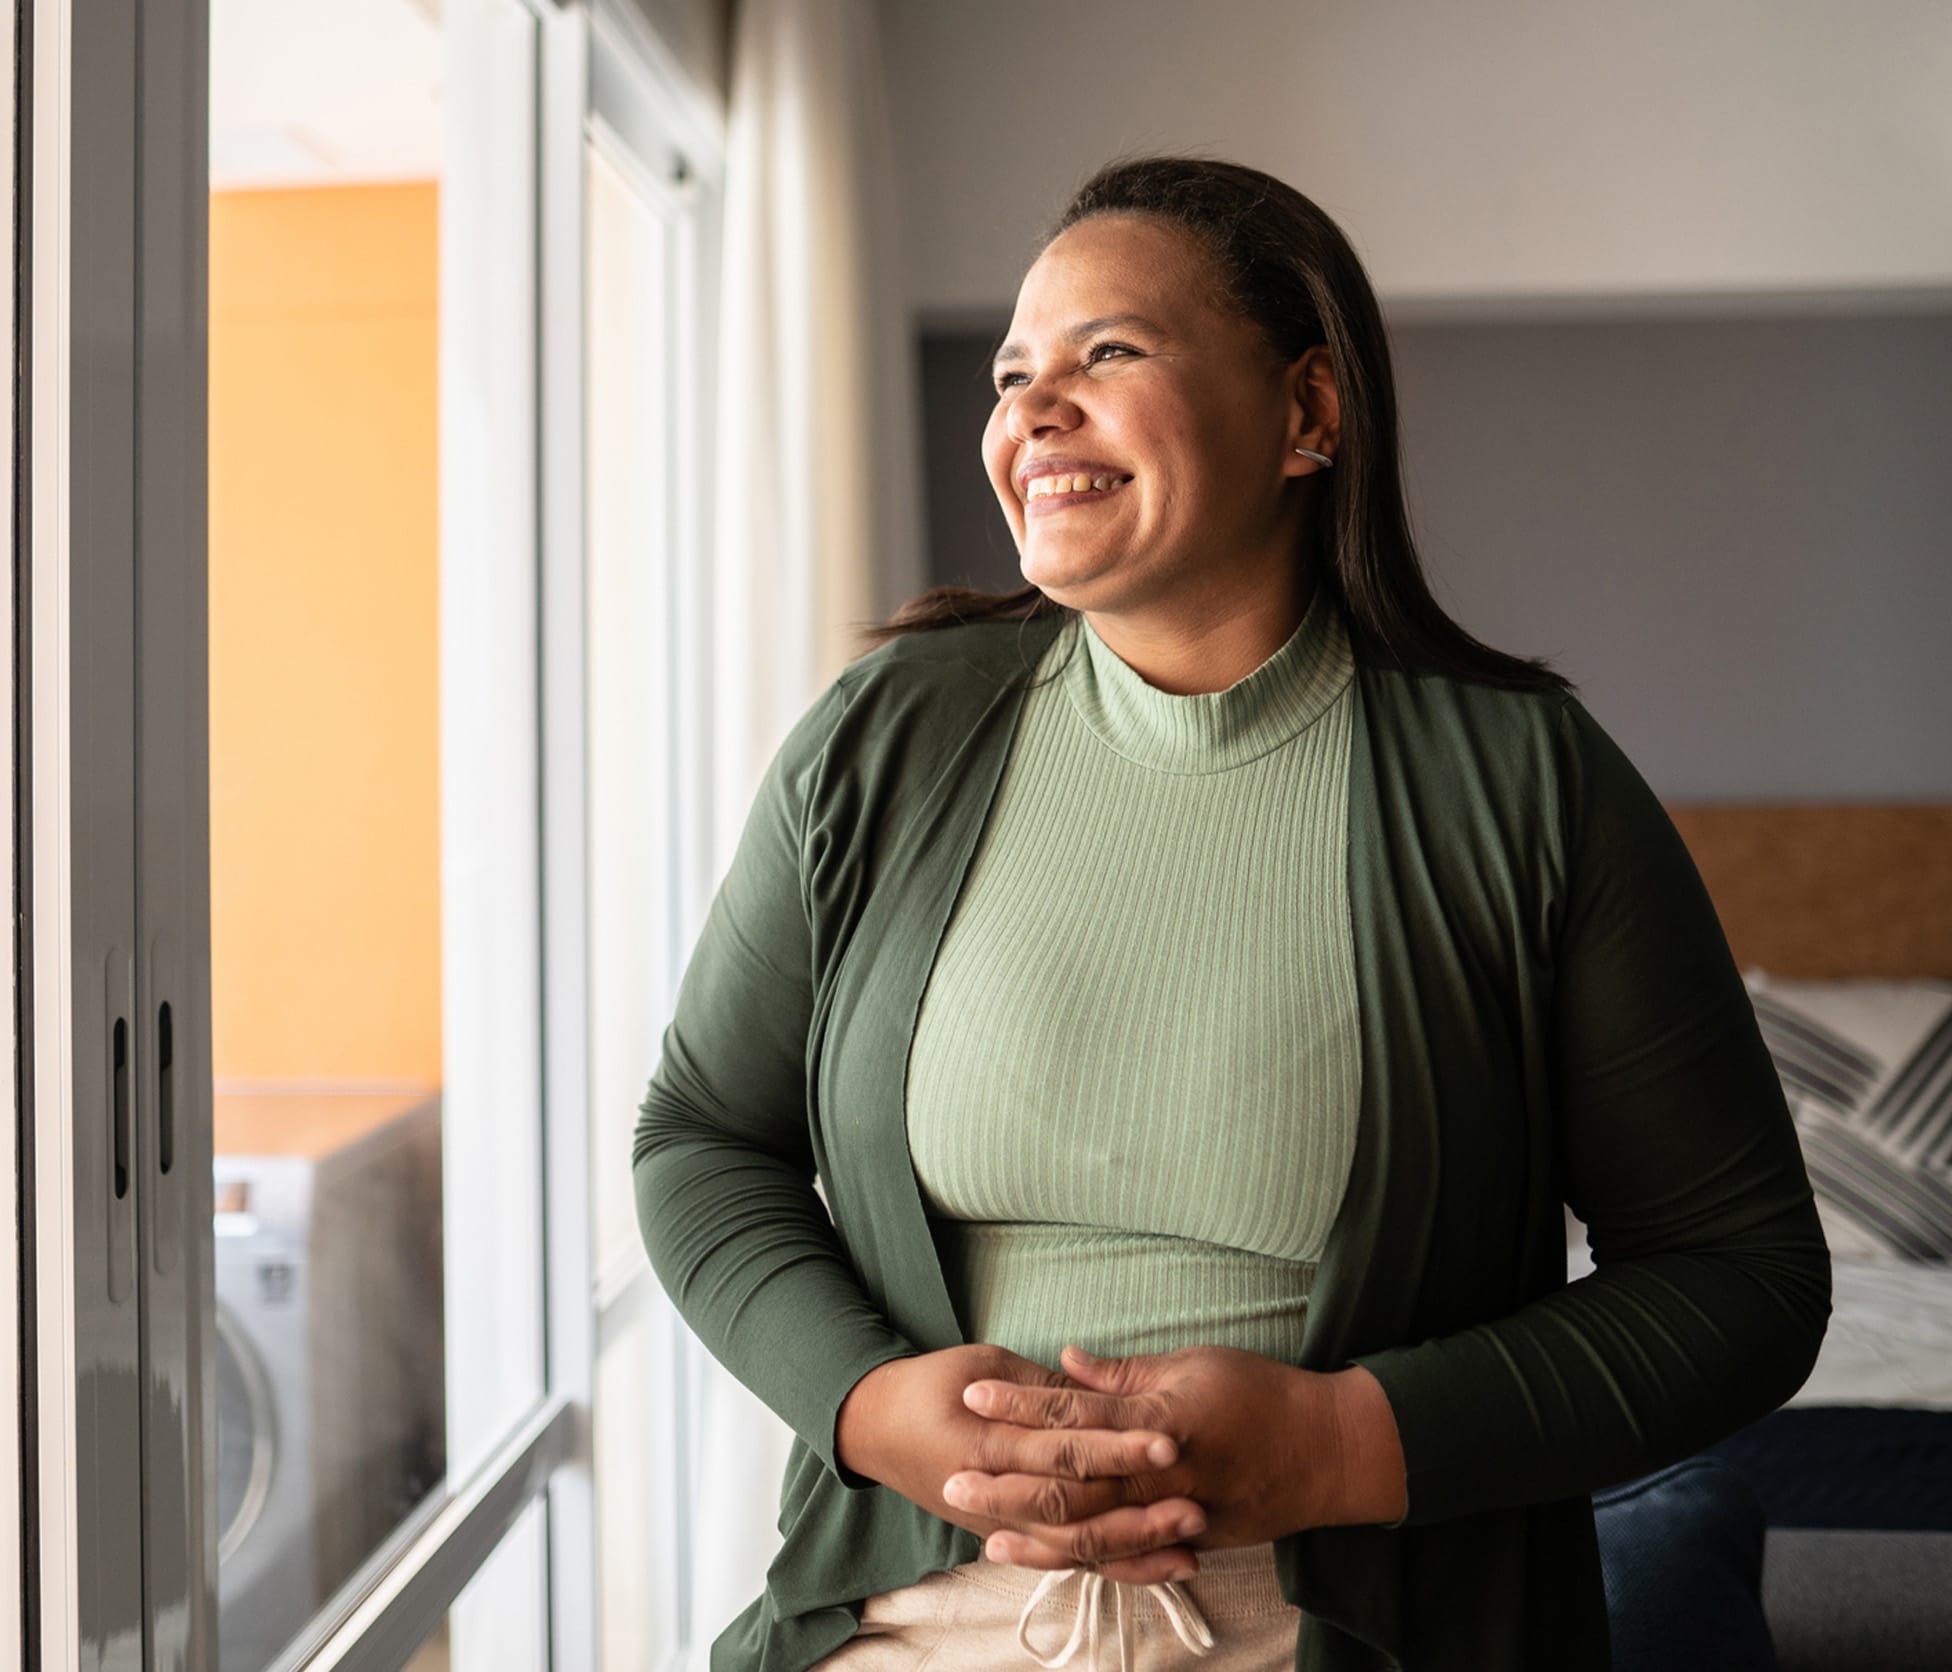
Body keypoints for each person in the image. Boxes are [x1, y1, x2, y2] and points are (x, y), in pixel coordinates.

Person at [632, 155, 1831, 1672]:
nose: (1029, 413)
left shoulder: (1527, 782)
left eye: (1106, 354)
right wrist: (874, 1409)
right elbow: (698, 1138)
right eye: (1013, 375)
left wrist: (1341, 1444)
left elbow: (1744, 1278)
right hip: (906, 1623)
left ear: (1309, 415)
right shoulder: (884, 739)